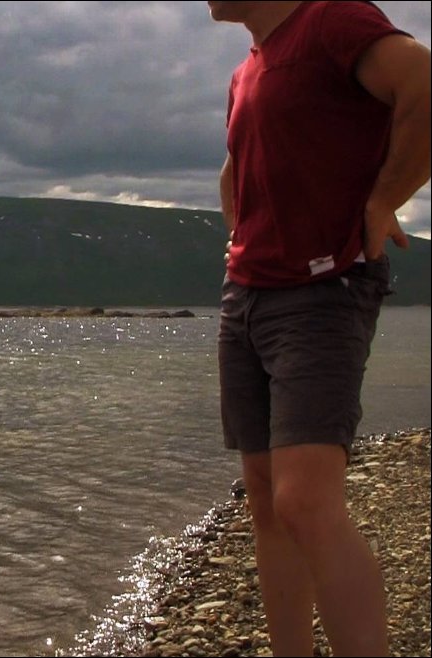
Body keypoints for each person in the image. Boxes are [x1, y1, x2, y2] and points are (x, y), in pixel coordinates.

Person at [208, 1, 430, 655]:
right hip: (246, 297)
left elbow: (422, 82)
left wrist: (386, 197)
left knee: (305, 500)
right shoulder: (247, 69)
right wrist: (242, 239)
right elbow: (234, 171)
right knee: (268, 499)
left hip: (322, 291)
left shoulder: (332, 20)